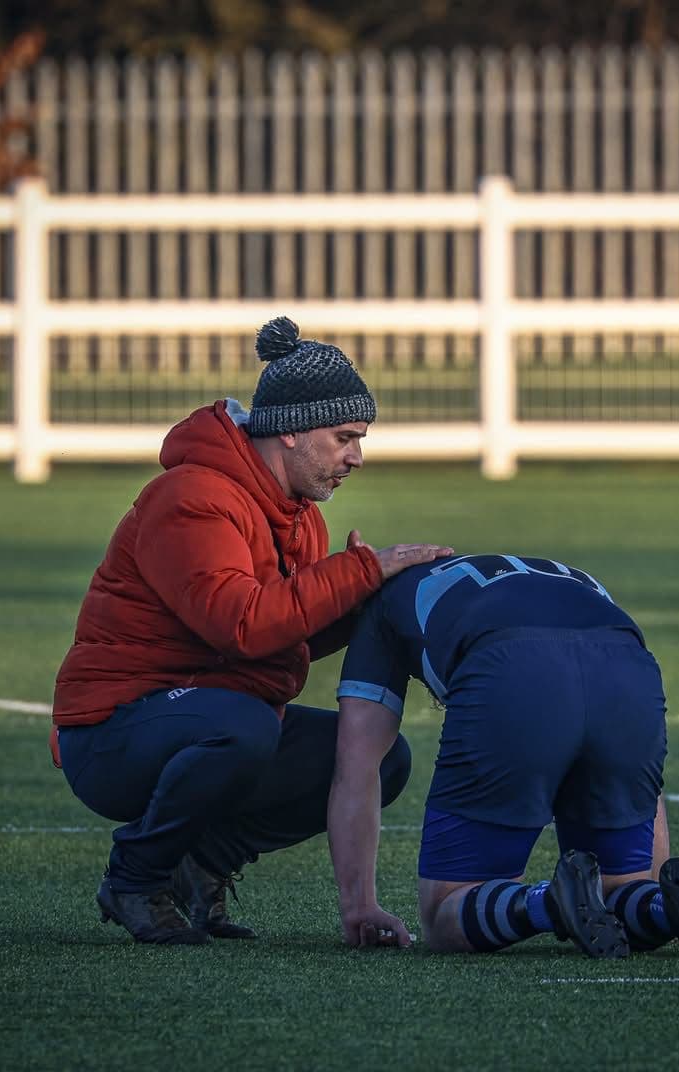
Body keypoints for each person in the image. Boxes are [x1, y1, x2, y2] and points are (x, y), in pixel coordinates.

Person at [51, 316, 453, 945]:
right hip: (110, 734)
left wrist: (376, 599)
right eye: (344, 436)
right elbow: (240, 625)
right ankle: (134, 877)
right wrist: (361, 572)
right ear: (290, 431)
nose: (357, 457)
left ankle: (202, 862)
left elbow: (287, 630)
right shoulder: (193, 496)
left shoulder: (297, 514)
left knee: (380, 757)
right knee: (242, 726)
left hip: (207, 717)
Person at [326, 552, 679, 959]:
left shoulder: (380, 603)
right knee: (621, 888)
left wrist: (359, 905)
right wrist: (651, 879)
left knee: (444, 912)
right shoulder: (563, 575)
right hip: (628, 668)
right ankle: (663, 910)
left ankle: (545, 903)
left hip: (512, 669)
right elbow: (647, 774)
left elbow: (358, 765)